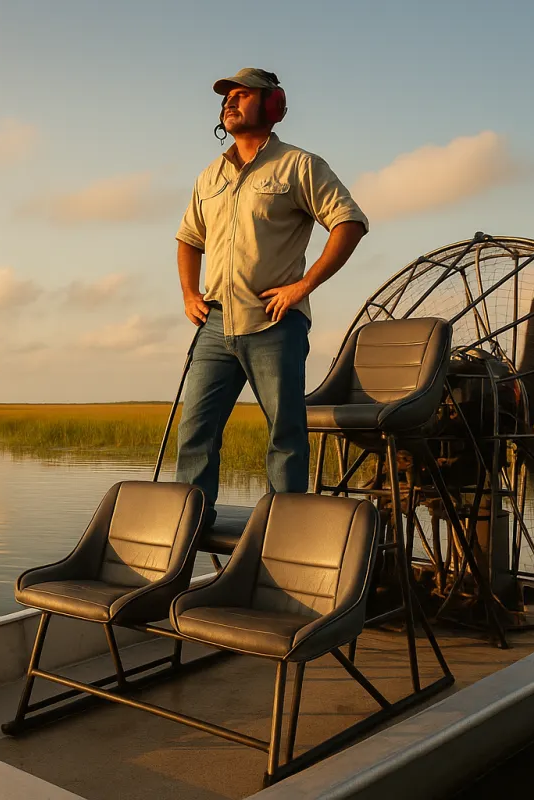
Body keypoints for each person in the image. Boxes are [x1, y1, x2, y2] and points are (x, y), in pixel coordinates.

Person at [173, 67, 369, 528]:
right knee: (195, 431)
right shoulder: (210, 176)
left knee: (286, 432)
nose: (231, 102)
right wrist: (188, 293)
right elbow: (188, 237)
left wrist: (304, 286)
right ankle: (190, 525)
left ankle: (285, 529)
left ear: (273, 106)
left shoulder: (300, 165)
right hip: (216, 322)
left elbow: (349, 221)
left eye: (242, 95)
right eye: (227, 97)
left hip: (275, 323)